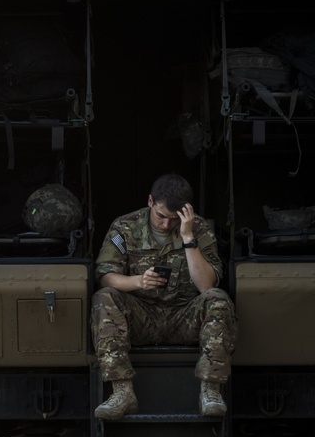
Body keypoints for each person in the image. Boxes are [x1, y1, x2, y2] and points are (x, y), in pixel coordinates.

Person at [92, 173, 237, 419]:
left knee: (218, 298)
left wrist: (189, 238)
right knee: (104, 297)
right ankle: (122, 391)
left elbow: (206, 286)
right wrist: (138, 281)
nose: (166, 225)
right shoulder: (126, 226)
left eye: (174, 218)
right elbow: (105, 275)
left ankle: (211, 390)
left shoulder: (198, 229)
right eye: (161, 216)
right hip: (142, 317)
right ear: (150, 201)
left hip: (184, 317)